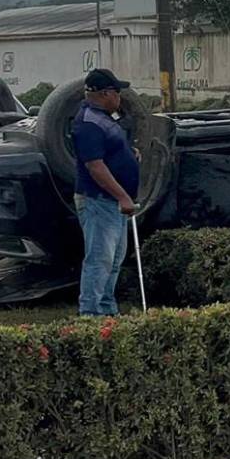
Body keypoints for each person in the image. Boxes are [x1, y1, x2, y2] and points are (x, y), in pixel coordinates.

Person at [72, 68, 140, 316]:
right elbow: (95, 166)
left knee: (113, 260)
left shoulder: (104, 117)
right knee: (99, 259)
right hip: (99, 201)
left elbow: (110, 151)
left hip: (113, 202)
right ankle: (90, 315)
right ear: (106, 94)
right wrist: (123, 196)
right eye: (117, 92)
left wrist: (129, 156)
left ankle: (106, 310)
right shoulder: (88, 123)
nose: (120, 98)